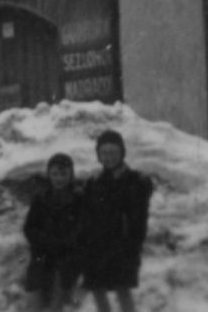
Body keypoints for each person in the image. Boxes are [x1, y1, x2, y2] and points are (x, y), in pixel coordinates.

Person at [82, 129, 153, 312]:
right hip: (97, 246)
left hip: (122, 246)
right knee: (97, 289)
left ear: (122, 153)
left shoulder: (135, 181)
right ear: (98, 155)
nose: (108, 157)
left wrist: (132, 244)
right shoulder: (94, 182)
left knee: (122, 290)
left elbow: (139, 219)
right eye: (104, 153)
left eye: (113, 152)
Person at [23, 153, 85, 311]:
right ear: (49, 175)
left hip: (66, 257)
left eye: (64, 174)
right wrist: (43, 241)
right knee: (34, 299)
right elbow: (30, 228)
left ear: (71, 174)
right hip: (42, 254)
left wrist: (66, 242)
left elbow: (83, 229)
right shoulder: (41, 199)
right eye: (55, 174)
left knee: (58, 298)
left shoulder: (79, 199)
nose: (59, 178)